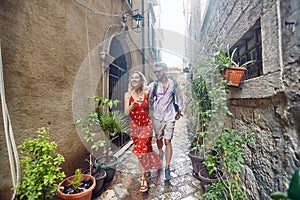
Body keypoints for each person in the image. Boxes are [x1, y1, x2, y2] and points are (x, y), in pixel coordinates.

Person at [124, 71, 162, 192]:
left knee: (141, 150)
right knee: (147, 149)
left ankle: (143, 179)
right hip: (135, 127)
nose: (134, 80)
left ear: (141, 80)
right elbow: (126, 112)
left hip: (146, 125)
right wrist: (133, 104)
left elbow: (152, 108)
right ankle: (148, 168)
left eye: (137, 78)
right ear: (130, 81)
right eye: (132, 78)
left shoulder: (146, 93)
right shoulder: (127, 94)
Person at [148, 62, 183, 181]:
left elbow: (178, 96)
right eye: (156, 72)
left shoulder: (173, 84)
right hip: (157, 117)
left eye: (159, 71)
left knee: (167, 140)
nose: (157, 73)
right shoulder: (153, 85)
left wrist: (179, 110)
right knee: (159, 140)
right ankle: (160, 151)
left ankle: (167, 167)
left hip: (170, 116)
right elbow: (146, 98)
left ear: (165, 71)